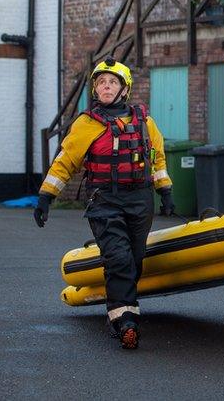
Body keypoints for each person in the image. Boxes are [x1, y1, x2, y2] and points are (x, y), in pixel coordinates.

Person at [33, 58, 174, 350]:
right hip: (104, 201)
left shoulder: (145, 122)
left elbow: (157, 159)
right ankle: (125, 322)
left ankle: (123, 311)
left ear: (124, 89)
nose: (106, 86)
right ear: (96, 90)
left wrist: (166, 190)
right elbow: (65, 162)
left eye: (112, 82)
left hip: (140, 199)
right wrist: (46, 196)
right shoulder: (86, 124)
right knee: (118, 257)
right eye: (101, 82)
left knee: (133, 258)